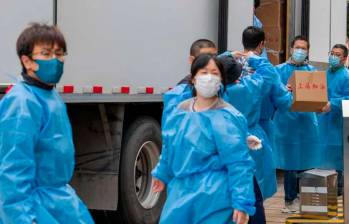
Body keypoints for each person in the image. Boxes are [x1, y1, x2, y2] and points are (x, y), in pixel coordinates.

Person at [0, 23, 94, 224]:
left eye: (59, 54)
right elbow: (14, 168)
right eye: (46, 53)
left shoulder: (50, 95)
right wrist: (22, 218)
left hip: (60, 202)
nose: (56, 60)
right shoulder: (22, 102)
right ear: (27, 61)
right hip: (34, 206)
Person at [152, 54, 256, 224]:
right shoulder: (180, 111)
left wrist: (241, 203)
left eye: (215, 73)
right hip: (180, 192)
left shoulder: (227, 116)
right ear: (193, 78)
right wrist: (162, 173)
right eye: (204, 72)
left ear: (222, 79)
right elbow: (170, 146)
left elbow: (239, 163)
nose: (209, 77)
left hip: (216, 194)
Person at [220, 26, 284, 224]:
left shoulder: (218, 92)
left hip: (225, 145)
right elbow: (268, 74)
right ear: (262, 44)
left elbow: (210, 63)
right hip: (252, 142)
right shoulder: (252, 86)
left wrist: (229, 54)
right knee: (254, 195)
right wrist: (254, 57)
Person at [273, 36, 320, 213]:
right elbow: (273, 97)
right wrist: (284, 90)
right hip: (287, 123)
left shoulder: (313, 72)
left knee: (308, 161)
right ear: (291, 49)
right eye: (297, 47)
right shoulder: (279, 71)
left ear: (308, 51)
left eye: (304, 48)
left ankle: (306, 199)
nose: (300, 51)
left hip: (307, 122)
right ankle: (289, 199)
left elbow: (319, 99)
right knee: (291, 164)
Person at [318, 44, 349, 195]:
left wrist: (334, 103)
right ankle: (325, 191)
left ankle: (339, 191)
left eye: (338, 54)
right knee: (322, 154)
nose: (334, 57)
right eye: (332, 53)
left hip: (338, 122)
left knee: (338, 157)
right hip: (322, 121)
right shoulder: (324, 74)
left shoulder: (347, 76)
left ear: (344, 59)